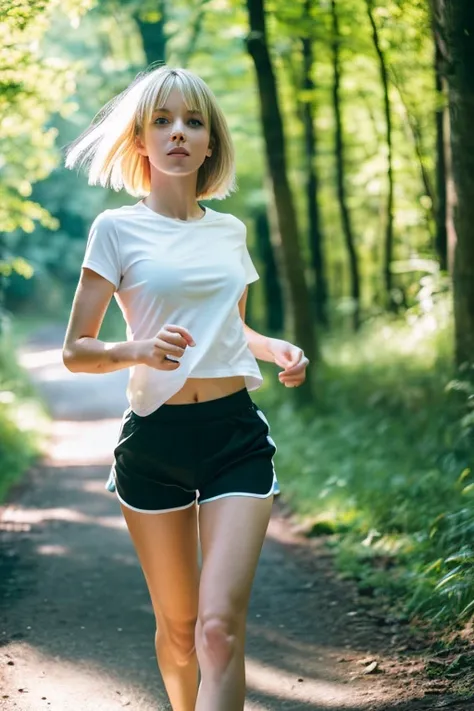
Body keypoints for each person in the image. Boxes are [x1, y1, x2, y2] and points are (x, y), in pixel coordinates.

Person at [62, 64, 309, 711]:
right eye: (163, 121)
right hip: (155, 439)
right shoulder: (115, 230)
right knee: (177, 634)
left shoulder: (230, 232)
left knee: (217, 631)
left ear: (209, 143)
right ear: (141, 140)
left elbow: (230, 325)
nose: (179, 133)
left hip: (234, 435)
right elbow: (75, 351)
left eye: (193, 122)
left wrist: (273, 345)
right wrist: (139, 347)